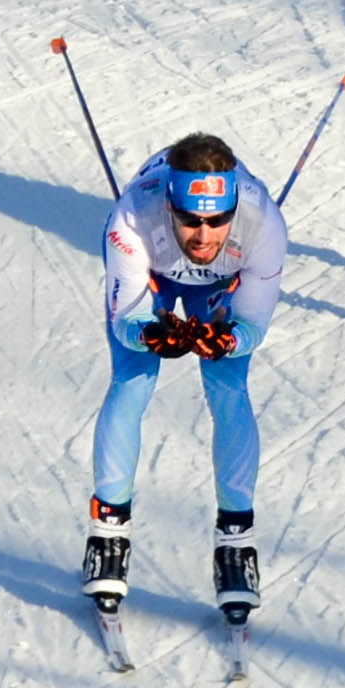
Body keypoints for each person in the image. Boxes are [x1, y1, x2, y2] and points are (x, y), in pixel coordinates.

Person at [83, 134, 289, 636]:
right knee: (133, 378)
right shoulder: (131, 218)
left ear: (233, 208)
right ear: (169, 206)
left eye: (216, 220)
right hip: (152, 272)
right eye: (189, 220)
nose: (202, 235)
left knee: (228, 387)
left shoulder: (264, 228)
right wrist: (149, 330)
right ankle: (108, 538)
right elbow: (124, 320)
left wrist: (227, 339)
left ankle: (236, 543)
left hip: (222, 283)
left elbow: (253, 329)